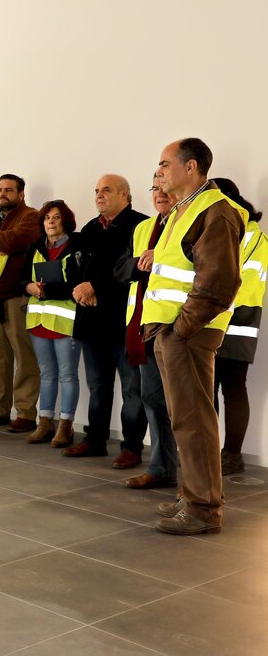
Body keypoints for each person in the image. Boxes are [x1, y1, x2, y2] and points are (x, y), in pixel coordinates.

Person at [145, 138, 245, 535]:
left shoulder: (215, 211)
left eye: (165, 163)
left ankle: (203, 509)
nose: (159, 171)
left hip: (188, 333)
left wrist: (181, 330)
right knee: (183, 419)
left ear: (191, 168)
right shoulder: (183, 210)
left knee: (194, 420)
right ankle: (193, 496)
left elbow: (219, 281)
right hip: (171, 331)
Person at [63, 175, 148, 464]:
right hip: (91, 320)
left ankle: (132, 447)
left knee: (132, 389)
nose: (99, 195)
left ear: (125, 194)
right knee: (98, 386)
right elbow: (75, 266)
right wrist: (80, 289)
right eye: (96, 191)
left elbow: (132, 271)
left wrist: (97, 288)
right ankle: (95, 440)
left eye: (106, 190)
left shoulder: (140, 225)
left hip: (123, 322)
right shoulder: (89, 228)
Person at [113, 175, 178, 489]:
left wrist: (160, 261)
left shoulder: (187, 224)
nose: (159, 194)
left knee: (182, 405)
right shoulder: (142, 229)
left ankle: (189, 475)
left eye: (164, 187)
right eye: (154, 189)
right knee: (152, 398)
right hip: (144, 327)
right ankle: (162, 468)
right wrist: (140, 263)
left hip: (180, 327)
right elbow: (120, 269)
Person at [0, 174, 42, 433]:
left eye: (9, 190)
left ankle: (25, 413)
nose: (3, 194)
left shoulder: (31, 216)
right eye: (0, 189)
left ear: (21, 193)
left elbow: (16, 240)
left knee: (24, 358)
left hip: (17, 297)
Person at [211, 178, 266, 475]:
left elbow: (246, 282)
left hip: (236, 321)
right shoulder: (223, 228)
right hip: (214, 319)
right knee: (209, 390)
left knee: (232, 388)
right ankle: (210, 452)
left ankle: (232, 455)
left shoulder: (253, 234)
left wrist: (212, 306)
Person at [20, 200, 84, 448]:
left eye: (56, 217)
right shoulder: (34, 247)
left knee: (68, 376)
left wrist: (47, 291)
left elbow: (77, 284)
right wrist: (29, 287)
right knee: (46, 375)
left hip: (65, 324)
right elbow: (22, 279)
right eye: (47, 218)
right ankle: (44, 423)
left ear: (65, 221)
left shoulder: (77, 245)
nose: (51, 222)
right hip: (38, 323)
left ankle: (65, 427)